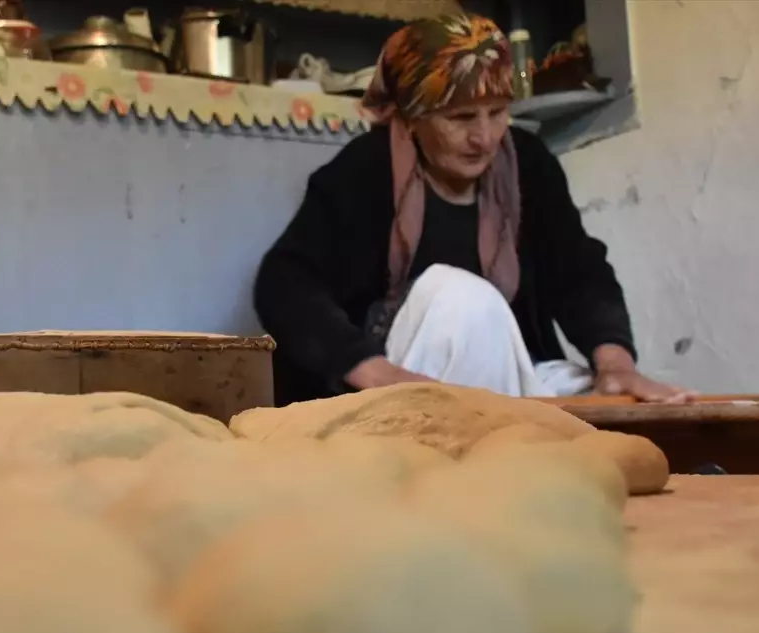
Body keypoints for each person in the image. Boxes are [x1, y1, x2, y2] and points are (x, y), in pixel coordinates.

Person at [254, 13, 694, 407]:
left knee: (605, 395)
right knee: (461, 299)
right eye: (462, 118)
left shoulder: (528, 164)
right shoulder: (364, 170)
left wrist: (615, 364)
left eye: (498, 112)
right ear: (412, 117)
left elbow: (579, 272)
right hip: (398, 383)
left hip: (498, 379)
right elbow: (285, 281)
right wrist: (371, 370)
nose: (485, 138)